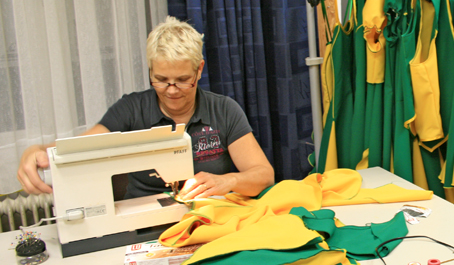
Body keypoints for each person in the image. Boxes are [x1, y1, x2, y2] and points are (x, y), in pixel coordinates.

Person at [17, 16, 274, 200]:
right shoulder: (130, 110)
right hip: (146, 225)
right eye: (161, 80)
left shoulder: (224, 110)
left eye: (183, 80)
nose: (171, 90)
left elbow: (264, 175)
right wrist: (39, 150)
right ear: (150, 70)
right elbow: (80, 148)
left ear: (200, 69)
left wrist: (227, 181)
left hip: (214, 217)